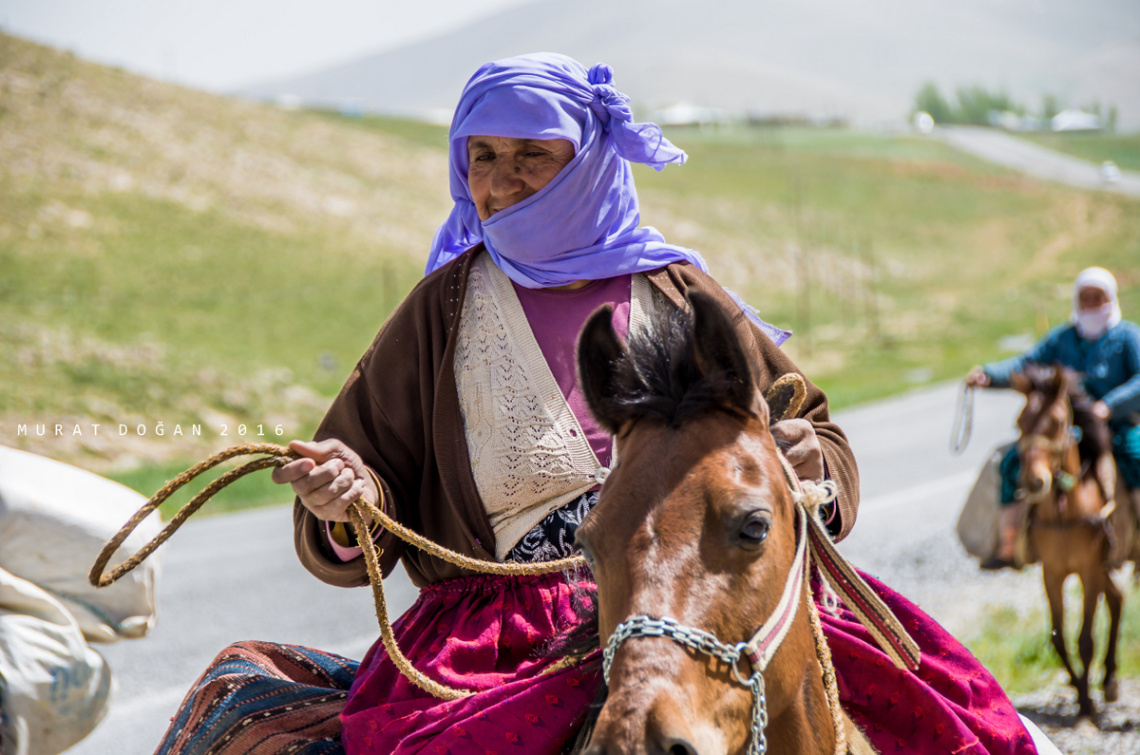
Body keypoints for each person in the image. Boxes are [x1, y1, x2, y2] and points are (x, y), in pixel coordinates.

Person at [154, 53, 1040, 755]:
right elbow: (366, 478)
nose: (499, 185)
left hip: (700, 597)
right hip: (507, 631)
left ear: (586, 160)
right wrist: (349, 501)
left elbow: (816, 428)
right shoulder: (443, 308)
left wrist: (809, 463)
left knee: (955, 717)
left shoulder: (679, 291)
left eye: (530, 157)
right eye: (482, 159)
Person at [967, 266, 1140, 569]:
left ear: (1110, 298)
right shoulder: (1063, 338)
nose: (1091, 304)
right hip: (1067, 429)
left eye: (1097, 297)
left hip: (1114, 423)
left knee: (1136, 457)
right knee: (1013, 462)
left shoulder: (1127, 337)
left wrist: (1109, 406)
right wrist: (988, 375)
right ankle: (1010, 546)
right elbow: (1025, 364)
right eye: (1084, 298)